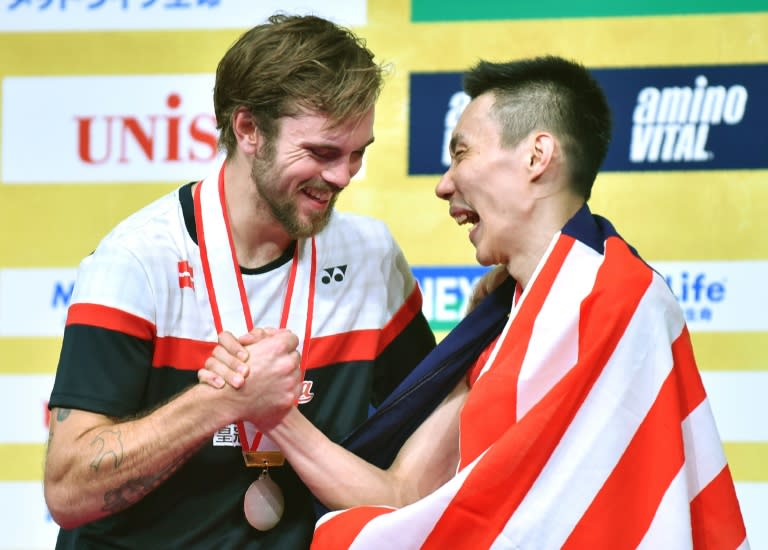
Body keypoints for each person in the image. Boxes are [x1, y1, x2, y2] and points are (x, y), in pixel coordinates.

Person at [202, 55, 749, 549]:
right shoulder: (505, 322)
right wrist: (274, 413)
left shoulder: (616, 302)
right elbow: (403, 496)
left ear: (537, 155)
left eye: (460, 152)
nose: (444, 185)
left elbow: (552, 526)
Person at [43, 14, 437, 549]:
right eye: (322, 153)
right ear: (248, 129)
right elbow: (67, 491)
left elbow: (432, 429)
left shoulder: (370, 256)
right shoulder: (138, 259)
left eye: (357, 154)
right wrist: (221, 404)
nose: (344, 177)